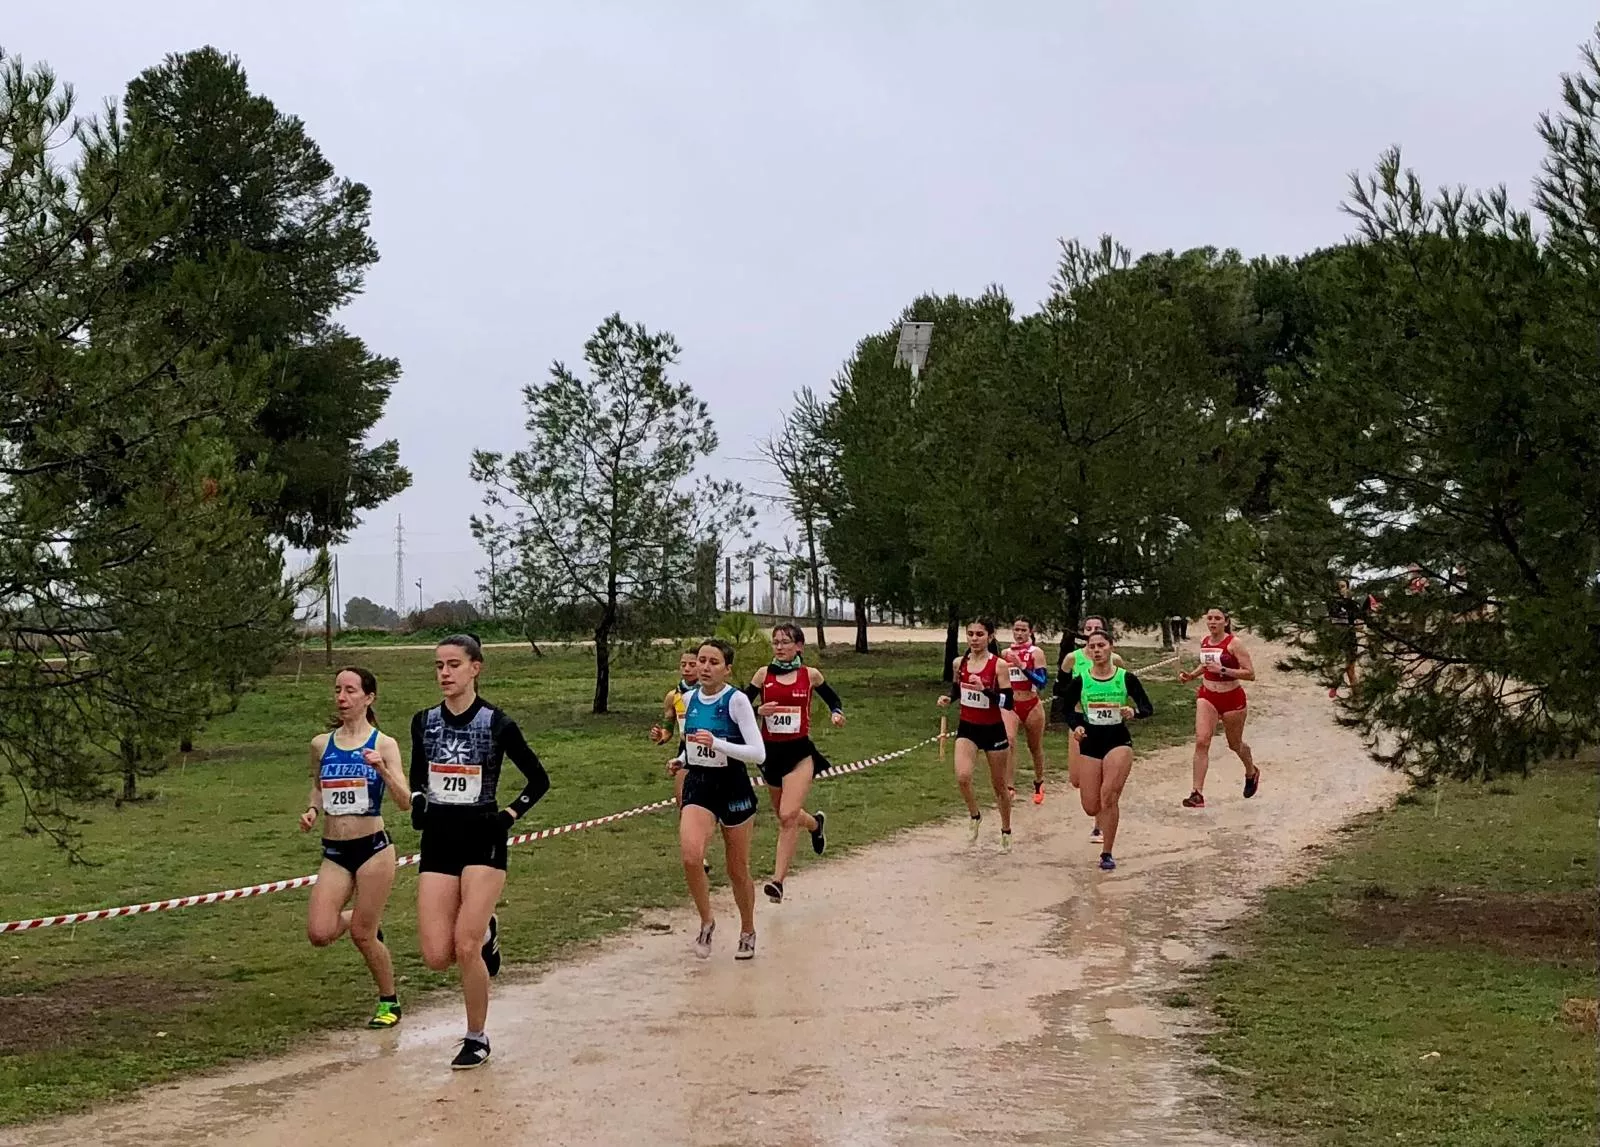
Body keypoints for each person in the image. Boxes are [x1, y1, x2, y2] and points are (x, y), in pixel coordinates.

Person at [408, 634, 550, 1070]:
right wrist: (417, 801)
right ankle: (487, 928)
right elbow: (418, 776)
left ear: (475, 668)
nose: (444, 673)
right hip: (439, 840)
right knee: (437, 955)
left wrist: (508, 815)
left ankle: (476, 1036)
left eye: (453, 664)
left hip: (483, 839)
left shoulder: (496, 723)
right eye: (438, 666)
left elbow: (538, 780)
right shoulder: (424, 721)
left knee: (465, 946)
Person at [299, 667, 411, 1029]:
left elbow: (405, 801)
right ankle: (364, 918)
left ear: (369, 697)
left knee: (363, 936)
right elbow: (318, 785)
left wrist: (383, 770)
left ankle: (388, 1001)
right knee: (319, 933)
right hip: (334, 850)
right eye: (337, 691)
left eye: (350, 691)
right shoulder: (321, 744)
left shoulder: (383, 744)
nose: (342, 698)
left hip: (374, 849)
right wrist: (313, 809)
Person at [671, 638, 765, 959]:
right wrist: (682, 760)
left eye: (713, 662)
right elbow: (692, 741)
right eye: (701, 661)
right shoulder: (687, 699)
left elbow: (758, 752)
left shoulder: (736, 701)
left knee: (737, 868)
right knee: (690, 856)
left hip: (733, 786)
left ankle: (748, 929)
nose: (705, 667)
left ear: (727, 669)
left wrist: (719, 744)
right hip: (699, 784)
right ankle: (707, 921)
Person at [748, 623, 841, 903]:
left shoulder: (809, 675)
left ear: (799, 646)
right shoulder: (763, 675)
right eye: (775, 642)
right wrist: (757, 710)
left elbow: (833, 699)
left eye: (786, 642)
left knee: (788, 816)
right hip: (769, 754)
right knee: (784, 813)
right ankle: (815, 825)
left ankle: (777, 882)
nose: (779, 647)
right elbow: (738, 705)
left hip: (800, 754)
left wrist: (837, 713)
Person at [1061, 630, 1153, 871]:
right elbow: (1067, 709)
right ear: (1088, 652)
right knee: (1091, 806)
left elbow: (1147, 706)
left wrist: (1134, 712)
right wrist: (1077, 725)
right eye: (1092, 647)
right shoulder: (1081, 681)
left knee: (1109, 795)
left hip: (1118, 741)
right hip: (1091, 743)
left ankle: (1107, 853)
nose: (1097, 650)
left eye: (1102, 645)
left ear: (1111, 648)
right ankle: (1101, 822)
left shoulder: (1125, 678)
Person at [936, 618, 1014, 849]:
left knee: (999, 785)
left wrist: (986, 690)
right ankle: (975, 815)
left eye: (979, 634)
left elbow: (1008, 702)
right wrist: (949, 698)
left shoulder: (998, 665)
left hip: (993, 730)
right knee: (962, 777)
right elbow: (958, 688)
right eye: (970, 634)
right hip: (967, 728)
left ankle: (1006, 829)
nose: (974, 638)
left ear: (989, 637)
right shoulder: (959, 663)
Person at [1176, 608, 1260, 808]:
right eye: (1210, 618)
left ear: (1226, 621)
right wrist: (1192, 676)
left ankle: (1251, 771)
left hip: (1232, 698)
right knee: (1202, 740)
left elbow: (1250, 673)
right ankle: (1197, 793)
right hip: (1207, 696)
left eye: (1217, 618)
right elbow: (1206, 666)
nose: (1213, 622)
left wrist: (1223, 669)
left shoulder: (1234, 643)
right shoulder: (1205, 642)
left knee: (1235, 744)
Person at [1060, 616, 1123, 843]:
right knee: (1077, 779)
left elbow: (1123, 685)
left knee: (1101, 778)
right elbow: (1062, 686)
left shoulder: (1115, 659)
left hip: (1106, 726)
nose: (1092, 632)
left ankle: (1099, 825)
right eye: (1088, 629)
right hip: (1080, 723)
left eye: (1097, 629)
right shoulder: (1071, 659)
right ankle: (1098, 812)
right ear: (1083, 633)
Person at [651, 648, 711, 876]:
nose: (687, 669)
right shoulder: (673, 697)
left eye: (691, 664)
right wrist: (660, 736)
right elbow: (668, 730)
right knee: (684, 805)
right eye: (683, 664)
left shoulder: (710, 693)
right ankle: (698, 855)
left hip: (712, 752)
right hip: (684, 752)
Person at [1000, 617, 1049, 805]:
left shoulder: (1036, 653)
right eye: (1016, 630)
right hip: (1012, 704)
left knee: (1034, 746)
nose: (1019, 634)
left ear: (1030, 631)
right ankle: (1010, 786)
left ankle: (1038, 781)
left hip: (1031, 703)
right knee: (1009, 740)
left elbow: (1042, 682)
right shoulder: (1005, 652)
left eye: (1023, 630)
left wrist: (1022, 667)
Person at [1326, 578, 1378, 698]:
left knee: (1350, 666)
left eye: (1343, 586)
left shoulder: (1352, 602)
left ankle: (1351, 692)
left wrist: (1359, 620)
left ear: (1348, 588)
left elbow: (1359, 618)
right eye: (1339, 587)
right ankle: (1348, 690)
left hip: (1350, 635)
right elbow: (1335, 615)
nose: (1341, 589)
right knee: (1343, 663)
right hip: (1338, 634)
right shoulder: (1333, 601)